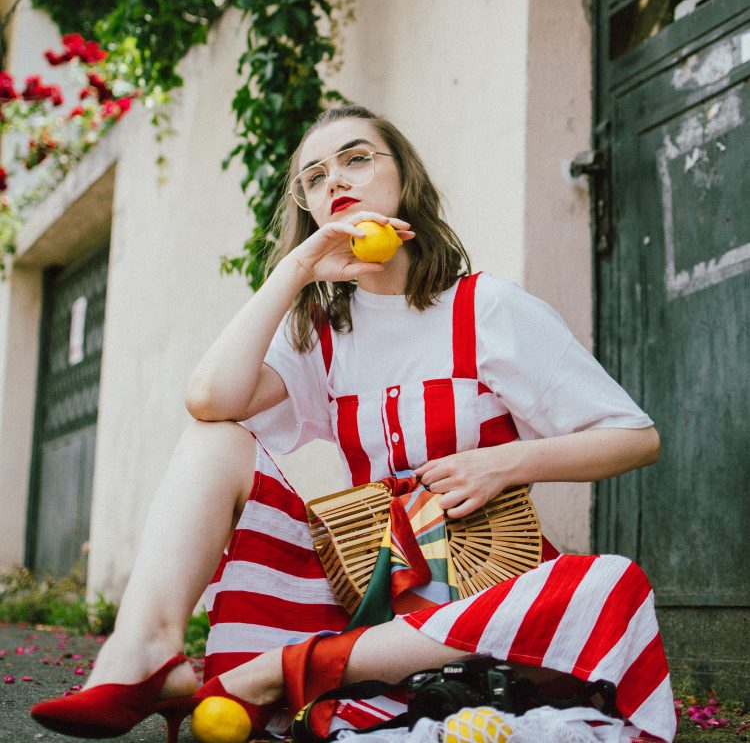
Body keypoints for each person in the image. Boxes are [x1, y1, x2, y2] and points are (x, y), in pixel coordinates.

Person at [30, 105, 676, 743]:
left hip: (481, 596)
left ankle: (287, 673)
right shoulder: (323, 337)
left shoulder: (487, 308)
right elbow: (208, 400)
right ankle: (145, 652)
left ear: (406, 183)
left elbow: (635, 436)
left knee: (611, 582)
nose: (334, 179)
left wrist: (505, 463)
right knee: (214, 441)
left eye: (357, 159)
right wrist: (296, 271)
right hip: (360, 594)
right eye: (314, 177)